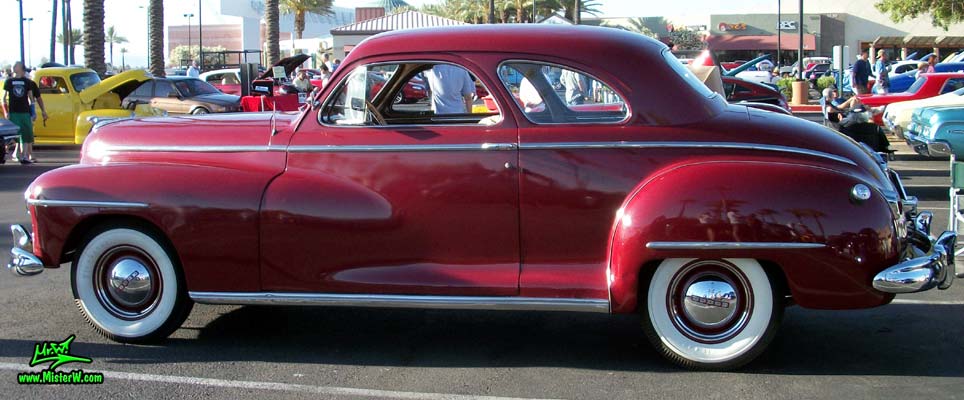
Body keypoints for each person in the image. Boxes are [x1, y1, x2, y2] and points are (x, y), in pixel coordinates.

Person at [2, 62, 47, 164]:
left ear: (21, 68)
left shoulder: (27, 82)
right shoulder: (9, 82)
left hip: (25, 112)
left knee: (27, 134)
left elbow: (31, 99)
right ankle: (14, 154)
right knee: (15, 135)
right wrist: (6, 111)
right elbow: (3, 98)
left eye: (16, 65)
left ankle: (25, 156)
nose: (13, 66)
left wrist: (33, 113)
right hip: (14, 112)